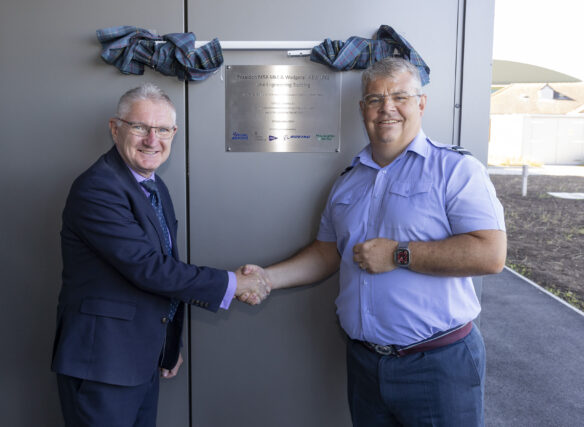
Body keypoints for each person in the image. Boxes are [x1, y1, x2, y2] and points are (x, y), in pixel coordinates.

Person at [242, 57, 506, 426]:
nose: (387, 109)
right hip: (366, 365)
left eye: (400, 97)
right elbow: (327, 253)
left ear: (421, 104)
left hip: (439, 364)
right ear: (362, 108)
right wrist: (267, 278)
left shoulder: (456, 170)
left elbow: (490, 254)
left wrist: (399, 254)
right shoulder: (348, 181)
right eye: (375, 99)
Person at [51, 83, 269, 427]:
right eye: (140, 127)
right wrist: (234, 283)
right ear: (115, 128)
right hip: (102, 366)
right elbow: (149, 268)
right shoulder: (98, 187)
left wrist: (167, 345)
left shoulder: (152, 184)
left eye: (163, 129)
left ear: (174, 133)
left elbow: (165, 266)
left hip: (139, 360)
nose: (152, 140)